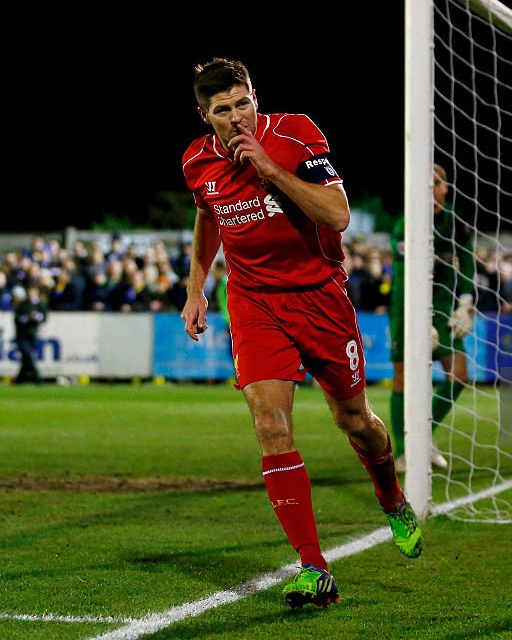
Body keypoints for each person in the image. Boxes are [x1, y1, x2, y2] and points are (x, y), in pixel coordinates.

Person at [179, 59, 421, 609]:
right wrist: (196, 288)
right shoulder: (197, 160)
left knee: (354, 420)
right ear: (205, 115)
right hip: (253, 300)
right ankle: (314, 567)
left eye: (243, 103)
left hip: (319, 297)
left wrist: (270, 169)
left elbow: (338, 216)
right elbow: (208, 217)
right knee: (270, 424)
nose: (237, 116)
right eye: (223, 110)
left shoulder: (294, 134)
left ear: (255, 97)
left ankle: (390, 495)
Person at [388, 163, 476, 472]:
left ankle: (422, 437)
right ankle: (402, 452)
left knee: (459, 374)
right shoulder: (406, 224)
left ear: (445, 187)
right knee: (402, 378)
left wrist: (466, 303)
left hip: (442, 308)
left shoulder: (455, 221)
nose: (433, 189)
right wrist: (419, 320)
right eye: (426, 184)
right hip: (407, 308)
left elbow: (466, 263)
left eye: (437, 183)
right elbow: (407, 276)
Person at [13, 285, 47, 384]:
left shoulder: (41, 304)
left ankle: (20, 380)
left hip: (33, 334)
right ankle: (37, 378)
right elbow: (17, 319)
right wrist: (27, 318)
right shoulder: (22, 305)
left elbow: (44, 317)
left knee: (26, 358)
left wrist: (36, 317)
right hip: (22, 334)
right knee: (28, 355)